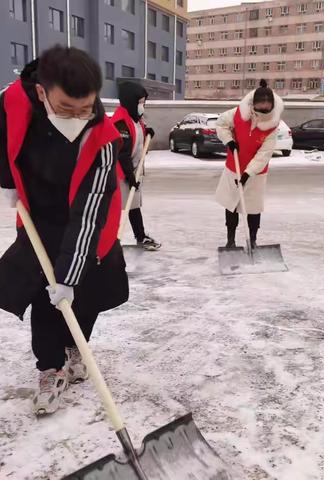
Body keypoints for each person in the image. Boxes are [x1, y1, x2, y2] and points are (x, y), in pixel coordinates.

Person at [0, 46, 129, 415]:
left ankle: (77, 347)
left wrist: (69, 276)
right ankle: (50, 367)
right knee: (43, 298)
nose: (77, 117)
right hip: (38, 221)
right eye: (66, 108)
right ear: (42, 92)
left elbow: (89, 214)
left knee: (84, 294)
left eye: (85, 108)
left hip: (90, 224)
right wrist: (7, 180)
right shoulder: (13, 103)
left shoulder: (104, 140)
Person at [215, 79, 284, 248]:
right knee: (231, 205)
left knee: (253, 209)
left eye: (267, 108)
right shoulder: (238, 114)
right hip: (234, 167)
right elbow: (221, 124)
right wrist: (229, 141)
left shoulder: (272, 127)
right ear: (254, 104)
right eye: (261, 106)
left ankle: (252, 241)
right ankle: (230, 241)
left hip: (256, 174)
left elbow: (264, 154)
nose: (264, 110)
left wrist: (248, 173)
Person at [111, 82, 160, 251]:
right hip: (120, 173)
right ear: (130, 101)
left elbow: (137, 137)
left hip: (132, 169)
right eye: (140, 102)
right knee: (115, 207)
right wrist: (130, 177)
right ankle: (109, 240)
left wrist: (147, 132)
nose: (142, 105)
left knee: (133, 205)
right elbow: (122, 153)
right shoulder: (120, 123)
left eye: (143, 102)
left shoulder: (134, 119)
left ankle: (140, 236)